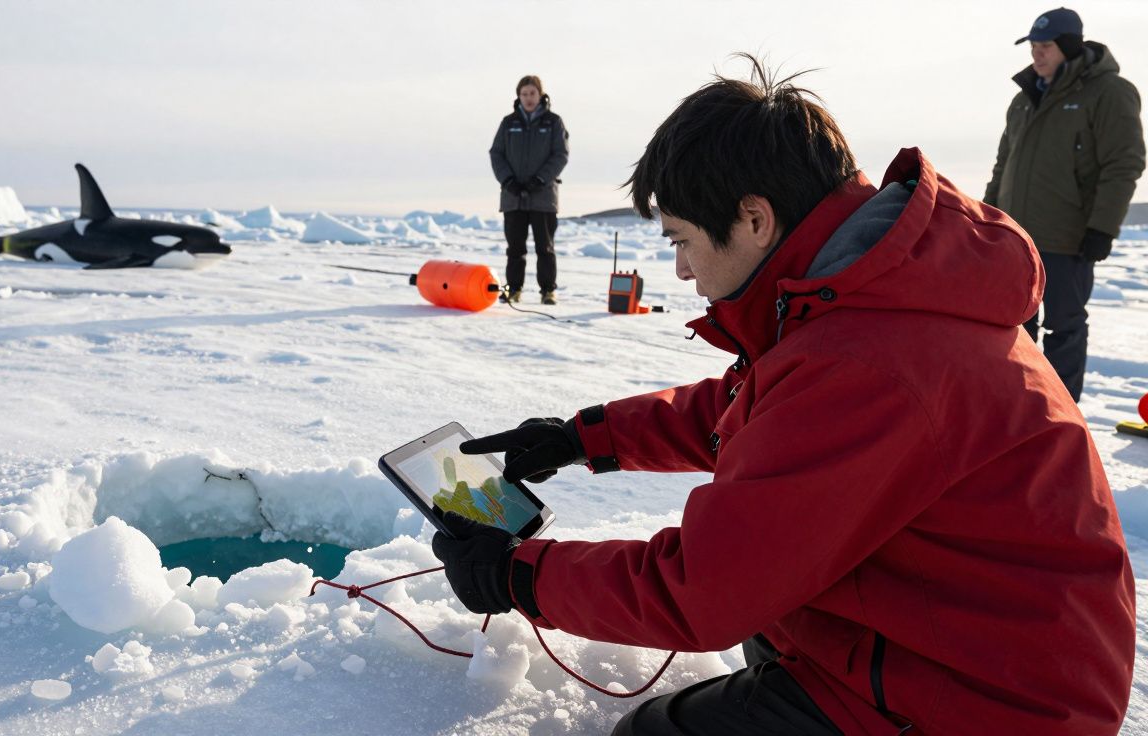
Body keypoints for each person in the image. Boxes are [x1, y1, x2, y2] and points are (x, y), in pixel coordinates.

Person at [432, 56, 1134, 735]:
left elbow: (699, 589)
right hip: (966, 647)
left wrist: (516, 577)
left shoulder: (869, 360)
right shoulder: (860, 298)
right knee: (767, 624)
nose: (678, 270)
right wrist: (580, 438)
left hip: (988, 707)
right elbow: (752, 411)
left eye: (681, 240)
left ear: (755, 220)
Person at [983, 7, 1144, 402]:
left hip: (1066, 238)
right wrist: (987, 219)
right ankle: (1018, 410)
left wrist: (1102, 228)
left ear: (1069, 47)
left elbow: (1124, 163)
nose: (1037, 55)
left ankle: (1060, 416)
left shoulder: (1108, 93)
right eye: (1033, 46)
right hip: (1017, 240)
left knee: (1064, 328)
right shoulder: (1022, 100)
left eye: (1046, 46)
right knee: (1014, 327)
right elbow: (1005, 164)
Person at [489, 75, 569, 305]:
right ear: (518, 96)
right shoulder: (508, 123)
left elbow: (560, 155)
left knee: (545, 247)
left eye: (532, 93)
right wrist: (508, 181)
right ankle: (514, 289)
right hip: (513, 197)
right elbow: (496, 154)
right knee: (515, 248)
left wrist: (540, 180)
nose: (528, 98)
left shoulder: (553, 122)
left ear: (540, 94)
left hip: (543, 197)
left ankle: (547, 291)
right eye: (524, 94)